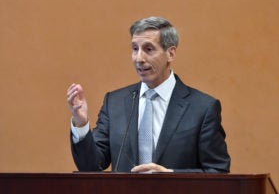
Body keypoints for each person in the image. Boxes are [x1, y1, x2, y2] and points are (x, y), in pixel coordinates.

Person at [67, 16, 230, 173]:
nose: (139, 58)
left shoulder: (203, 108)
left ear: (170, 53)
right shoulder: (114, 103)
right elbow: (91, 167)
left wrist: (171, 176)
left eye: (148, 49)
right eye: (135, 49)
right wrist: (81, 124)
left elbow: (217, 171)